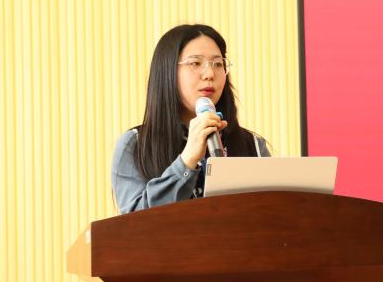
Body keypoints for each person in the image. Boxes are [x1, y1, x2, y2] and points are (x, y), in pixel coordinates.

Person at [111, 24, 270, 213]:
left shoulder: (252, 145)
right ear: (168, 72)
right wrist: (187, 161)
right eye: (195, 63)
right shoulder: (136, 145)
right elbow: (133, 223)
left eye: (218, 64)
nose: (210, 74)